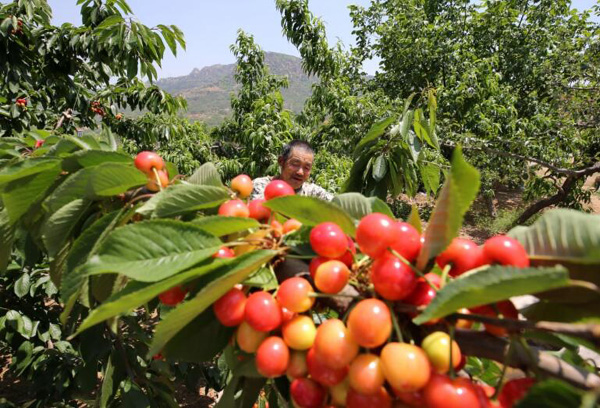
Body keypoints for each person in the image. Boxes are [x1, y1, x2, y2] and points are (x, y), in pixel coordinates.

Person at [250, 140, 334, 201]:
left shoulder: (313, 193)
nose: (300, 172)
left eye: (306, 168)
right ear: (281, 161)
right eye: (295, 164)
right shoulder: (261, 186)